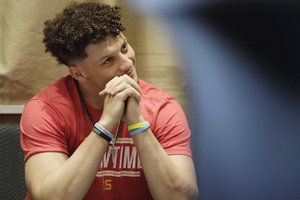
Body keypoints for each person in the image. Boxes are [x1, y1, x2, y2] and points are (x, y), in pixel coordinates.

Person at [20, 1, 198, 200]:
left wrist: (138, 124)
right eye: (108, 60)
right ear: (78, 73)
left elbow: (181, 198)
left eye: (124, 48)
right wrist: (105, 126)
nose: (127, 62)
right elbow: (52, 198)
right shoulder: (45, 110)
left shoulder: (163, 108)